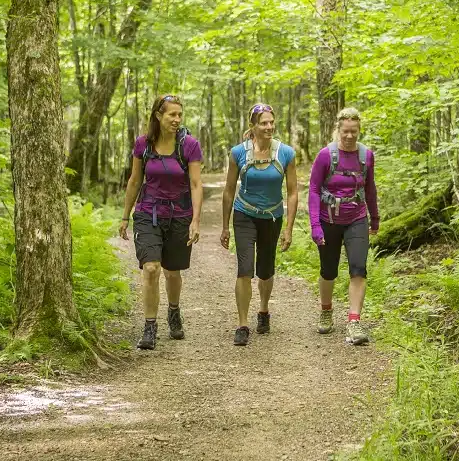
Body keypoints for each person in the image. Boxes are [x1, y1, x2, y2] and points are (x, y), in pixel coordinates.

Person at [118, 94, 203, 350]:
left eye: (180, 114)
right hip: (148, 213)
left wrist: (195, 220)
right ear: (158, 115)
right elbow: (134, 181)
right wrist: (125, 216)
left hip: (179, 215)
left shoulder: (189, 145)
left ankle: (174, 311)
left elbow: (196, 184)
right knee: (151, 268)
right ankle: (149, 326)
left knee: (172, 271)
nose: (177, 119)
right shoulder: (143, 145)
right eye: (171, 115)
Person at [220, 103, 298, 346]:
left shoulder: (286, 153)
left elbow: (293, 192)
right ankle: (242, 324)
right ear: (252, 126)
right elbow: (229, 189)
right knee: (245, 267)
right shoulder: (238, 153)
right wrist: (225, 226)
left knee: (266, 269)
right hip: (244, 215)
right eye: (264, 123)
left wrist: (289, 229)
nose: (269, 126)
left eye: (271, 122)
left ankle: (263, 310)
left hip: (272, 217)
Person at [307, 107, 379, 346]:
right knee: (329, 270)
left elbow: (370, 189)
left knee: (359, 268)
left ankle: (354, 320)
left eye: (354, 132)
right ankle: (326, 310)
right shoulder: (326, 156)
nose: (349, 136)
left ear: (359, 131)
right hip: (329, 220)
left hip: (357, 218)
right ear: (338, 129)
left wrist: (375, 218)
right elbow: (315, 190)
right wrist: (315, 226)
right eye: (345, 131)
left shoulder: (366, 156)